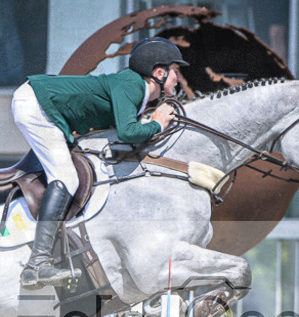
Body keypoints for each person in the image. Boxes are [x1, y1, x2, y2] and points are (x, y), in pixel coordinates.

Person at [12, 36, 188, 290]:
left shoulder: (134, 90)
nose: (178, 79)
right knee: (67, 178)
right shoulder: (133, 86)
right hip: (36, 105)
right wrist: (157, 124)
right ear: (159, 73)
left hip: (42, 105)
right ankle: (37, 264)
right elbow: (127, 133)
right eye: (176, 71)